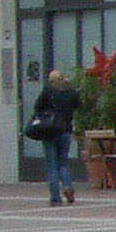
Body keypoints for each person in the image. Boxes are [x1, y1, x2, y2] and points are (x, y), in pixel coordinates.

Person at [28, 66, 79, 206]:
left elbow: (37, 107)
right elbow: (77, 105)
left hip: (49, 131)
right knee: (63, 162)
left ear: (51, 81)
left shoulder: (48, 91)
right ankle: (67, 186)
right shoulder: (70, 92)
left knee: (52, 165)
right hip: (65, 130)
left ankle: (56, 198)